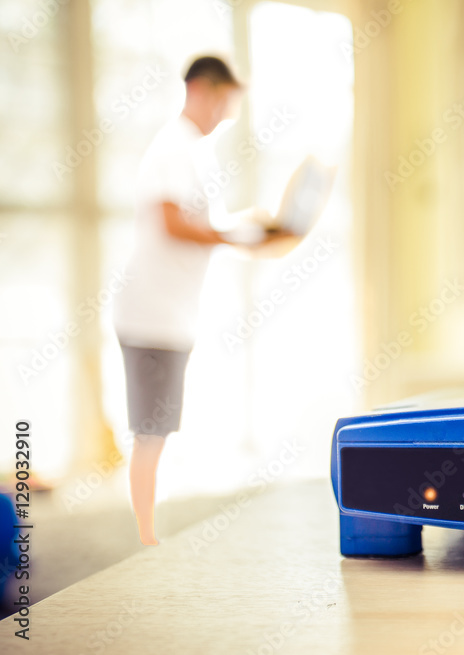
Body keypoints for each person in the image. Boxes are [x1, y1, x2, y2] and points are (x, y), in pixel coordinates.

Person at [113, 55, 281, 545]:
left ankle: (147, 532)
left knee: (157, 428)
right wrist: (235, 236)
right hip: (151, 315)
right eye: (226, 100)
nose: (228, 113)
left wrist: (244, 230)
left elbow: (201, 225)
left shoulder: (191, 153)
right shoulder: (173, 148)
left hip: (170, 315)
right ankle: (145, 536)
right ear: (205, 90)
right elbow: (172, 222)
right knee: (151, 431)